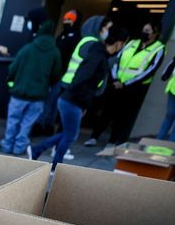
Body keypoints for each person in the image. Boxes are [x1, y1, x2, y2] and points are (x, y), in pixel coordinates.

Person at [30, 27, 128, 170]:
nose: (123, 47)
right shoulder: (98, 57)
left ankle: (39, 152)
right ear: (119, 43)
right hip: (72, 101)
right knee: (70, 136)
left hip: (72, 100)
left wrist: (83, 106)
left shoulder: (99, 54)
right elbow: (81, 79)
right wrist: (82, 104)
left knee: (68, 134)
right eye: (124, 43)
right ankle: (53, 164)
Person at [86, 21, 165, 146]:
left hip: (134, 88)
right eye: (144, 29)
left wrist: (127, 83)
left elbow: (150, 70)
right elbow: (117, 60)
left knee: (122, 116)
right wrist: (116, 78)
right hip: (116, 83)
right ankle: (94, 136)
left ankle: (113, 141)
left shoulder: (158, 48)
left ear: (155, 34)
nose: (144, 33)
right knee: (106, 111)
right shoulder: (132, 43)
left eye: (148, 31)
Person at [38, 14, 108, 133]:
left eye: (69, 19)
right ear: (98, 28)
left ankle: (48, 140)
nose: (66, 21)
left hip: (68, 81)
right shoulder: (91, 44)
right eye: (107, 28)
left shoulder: (82, 40)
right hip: (74, 85)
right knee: (67, 123)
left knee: (61, 116)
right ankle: (49, 144)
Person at [1, 20, 62, 156]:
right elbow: (56, 74)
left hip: (19, 93)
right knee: (27, 123)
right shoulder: (55, 52)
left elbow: (12, 68)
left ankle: (7, 146)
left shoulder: (27, 48)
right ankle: (19, 148)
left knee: (13, 121)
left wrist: (11, 82)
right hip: (39, 96)